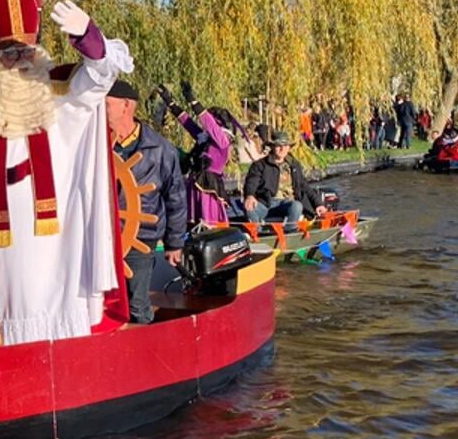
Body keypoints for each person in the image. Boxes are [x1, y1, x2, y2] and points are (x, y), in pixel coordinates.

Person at [0, 0, 128, 346]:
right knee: (9, 304)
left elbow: (101, 77)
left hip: (59, 240)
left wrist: (89, 37)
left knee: (55, 304)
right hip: (4, 241)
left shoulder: (61, 93)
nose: (17, 61)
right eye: (8, 54)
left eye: (24, 52)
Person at [105, 80, 187, 326]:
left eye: (105, 104)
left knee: (136, 303)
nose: (99, 109)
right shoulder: (94, 144)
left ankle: (145, 353)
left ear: (126, 106)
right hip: (100, 238)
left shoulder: (161, 149)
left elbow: (176, 198)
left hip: (140, 236)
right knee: (99, 304)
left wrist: (174, 243)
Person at [157, 80, 233, 228]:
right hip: (196, 181)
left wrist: (192, 100)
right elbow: (188, 124)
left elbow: (208, 123)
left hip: (209, 185)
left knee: (207, 222)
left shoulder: (222, 140)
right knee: (192, 222)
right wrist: (171, 104)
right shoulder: (205, 138)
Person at [242, 129, 319, 226]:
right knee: (249, 208)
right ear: (272, 147)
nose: (282, 149)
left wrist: (318, 204)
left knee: (297, 206)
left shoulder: (294, 165)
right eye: (278, 146)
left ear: (289, 147)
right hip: (266, 203)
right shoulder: (259, 165)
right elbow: (251, 183)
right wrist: (250, 195)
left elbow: (304, 186)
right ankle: (257, 235)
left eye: (285, 146)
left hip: (288, 203)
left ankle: (290, 232)